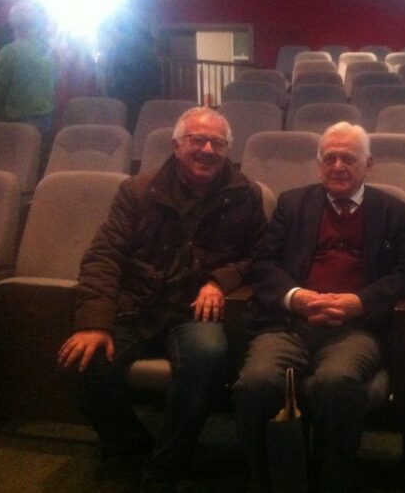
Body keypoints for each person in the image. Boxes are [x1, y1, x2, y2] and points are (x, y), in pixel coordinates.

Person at [57, 107, 266, 492]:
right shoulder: (138, 190)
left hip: (193, 311)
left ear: (228, 150)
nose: (207, 149)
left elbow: (260, 256)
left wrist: (218, 282)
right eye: (197, 140)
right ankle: (134, 450)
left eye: (217, 143)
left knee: (207, 357)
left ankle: (166, 467)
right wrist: (94, 323)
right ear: (176, 145)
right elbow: (103, 256)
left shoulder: (245, 194)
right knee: (82, 363)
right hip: (137, 305)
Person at [233, 121, 405, 493]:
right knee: (256, 383)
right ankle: (269, 481)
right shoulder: (292, 203)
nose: (338, 167)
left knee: (336, 383)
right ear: (319, 166)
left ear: (368, 164)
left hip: (355, 329)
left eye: (348, 158)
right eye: (329, 159)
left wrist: (359, 303)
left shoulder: (394, 211)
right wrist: (296, 297)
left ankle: (332, 481)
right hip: (289, 324)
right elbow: (263, 264)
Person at [0, 1, 56, 137]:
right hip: (45, 120)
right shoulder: (47, 51)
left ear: (13, 24)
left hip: (16, 123)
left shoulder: (9, 52)